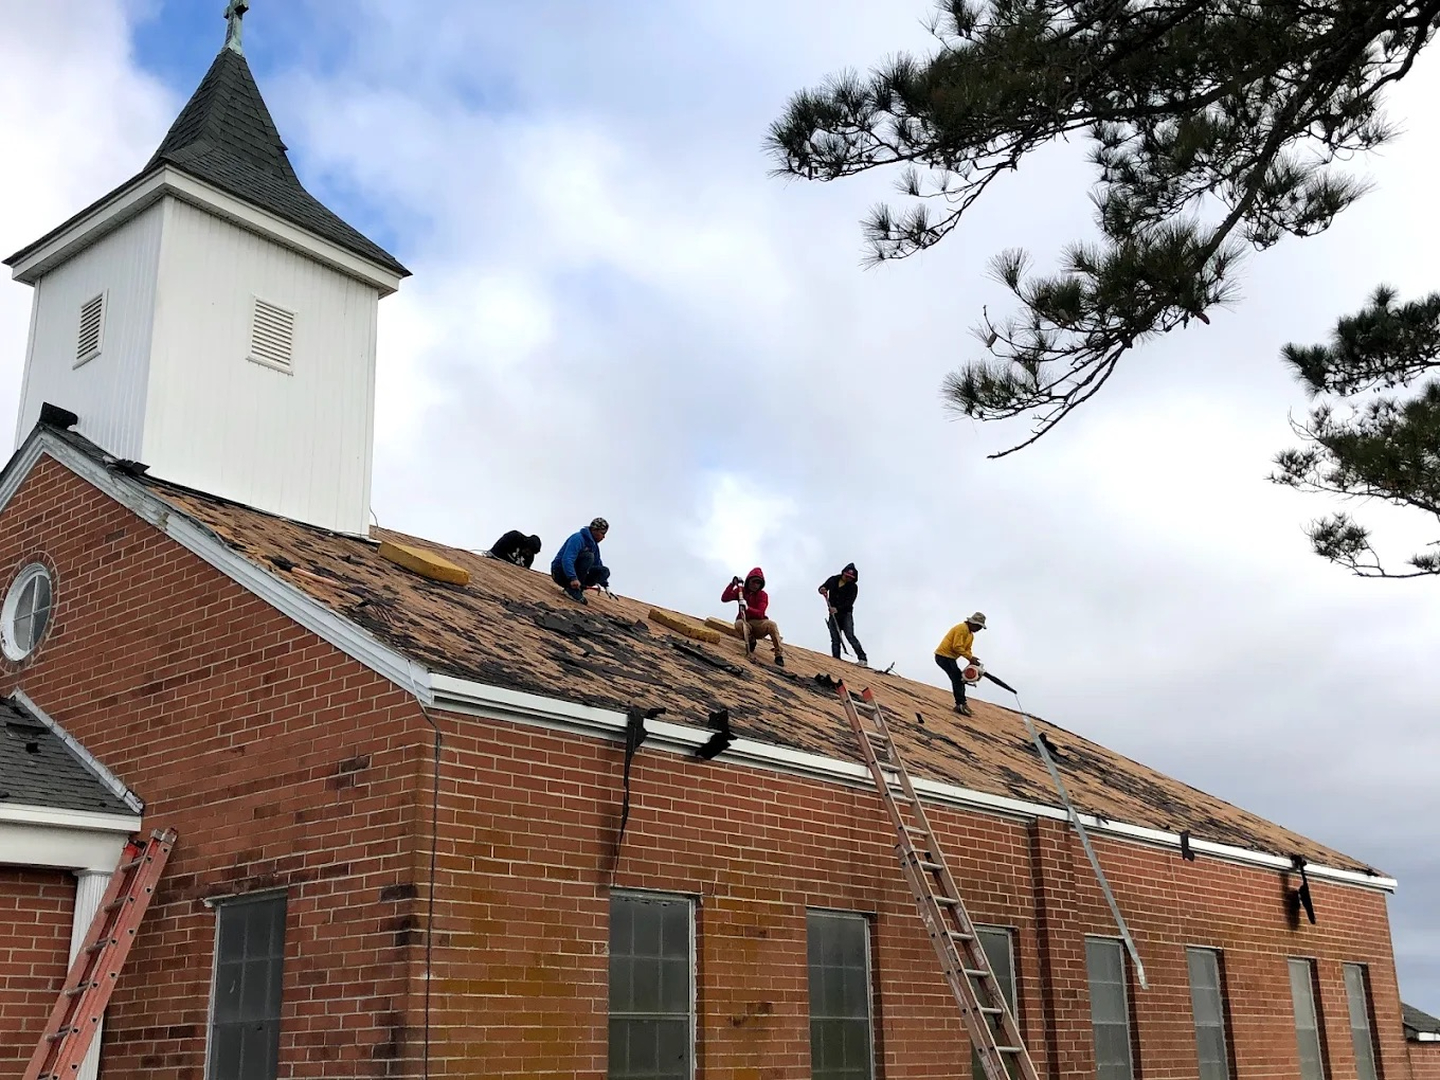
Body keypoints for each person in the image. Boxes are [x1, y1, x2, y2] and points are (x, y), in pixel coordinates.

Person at [722, 567, 785, 667]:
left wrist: (747, 608)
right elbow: (724, 598)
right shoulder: (741, 591)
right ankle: (751, 641)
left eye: (758, 583)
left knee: (771, 625)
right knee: (739, 624)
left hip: (759, 623)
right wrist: (732, 584)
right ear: (748, 581)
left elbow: (760, 613)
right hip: (745, 622)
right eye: (754, 582)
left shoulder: (762, 595)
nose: (756, 585)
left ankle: (779, 655)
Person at [935, 611, 986, 716]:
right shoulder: (962, 628)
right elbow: (957, 646)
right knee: (957, 679)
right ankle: (960, 704)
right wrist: (970, 658)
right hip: (943, 656)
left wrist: (971, 660)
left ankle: (962, 703)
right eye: (978, 626)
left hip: (950, 658)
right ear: (972, 623)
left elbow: (968, 649)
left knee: (959, 679)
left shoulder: (970, 635)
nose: (979, 629)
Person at [551, 517, 610, 604]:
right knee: (588, 557)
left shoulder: (594, 546)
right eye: (602, 533)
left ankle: (577, 589)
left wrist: (605, 584)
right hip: (560, 572)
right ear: (595, 530)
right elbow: (567, 559)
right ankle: (572, 590)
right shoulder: (578, 538)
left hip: (575, 577)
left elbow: (598, 564)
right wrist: (573, 578)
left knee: (604, 571)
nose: (603, 537)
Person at [818, 562, 867, 665]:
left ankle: (862, 658)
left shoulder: (853, 587)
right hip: (833, 615)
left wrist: (837, 609)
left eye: (850, 577)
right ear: (843, 573)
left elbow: (849, 603)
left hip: (845, 614)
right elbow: (823, 587)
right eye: (846, 576)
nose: (848, 578)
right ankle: (836, 659)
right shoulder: (833, 579)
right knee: (835, 638)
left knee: (850, 635)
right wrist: (822, 589)